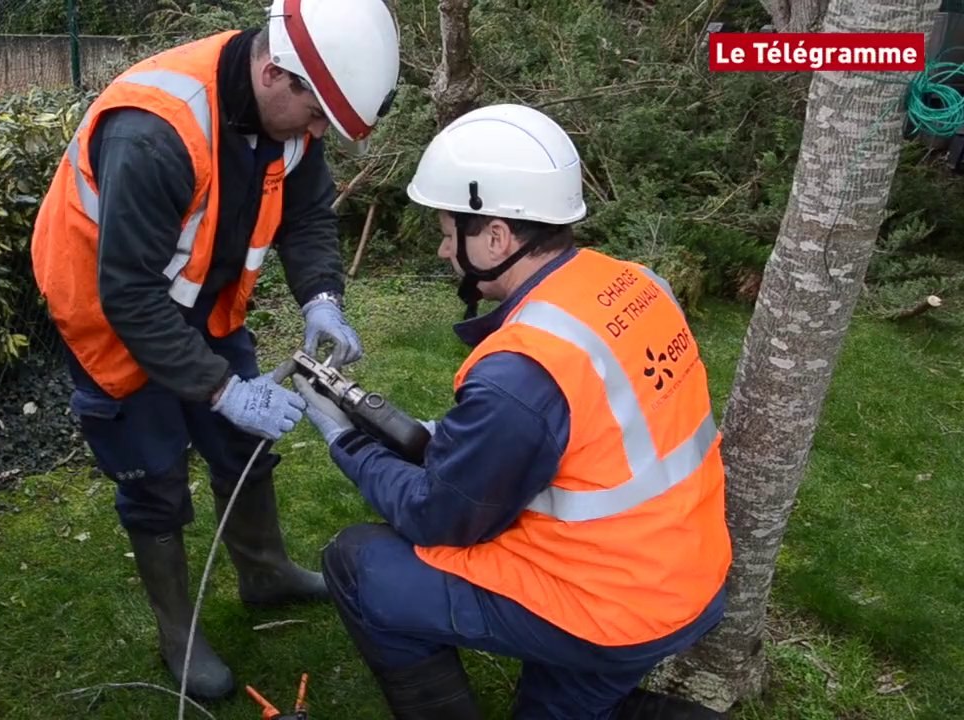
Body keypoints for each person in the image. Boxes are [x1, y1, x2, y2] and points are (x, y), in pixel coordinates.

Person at [290, 104, 733, 720]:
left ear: (496, 236)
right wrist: (439, 439)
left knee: (359, 565)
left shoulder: (523, 372)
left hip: (611, 608)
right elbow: (590, 432)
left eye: (449, 231)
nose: (445, 250)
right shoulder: (637, 284)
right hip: (689, 574)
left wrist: (348, 442)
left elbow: (436, 516)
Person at [28, 0, 401, 701]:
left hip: (201, 301)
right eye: (318, 116)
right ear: (275, 72)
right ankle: (180, 632)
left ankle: (264, 573)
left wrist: (322, 294)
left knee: (243, 447)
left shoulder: (289, 111)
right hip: (110, 313)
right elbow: (131, 295)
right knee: (154, 476)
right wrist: (224, 388)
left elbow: (308, 210)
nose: (319, 133)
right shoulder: (156, 131)